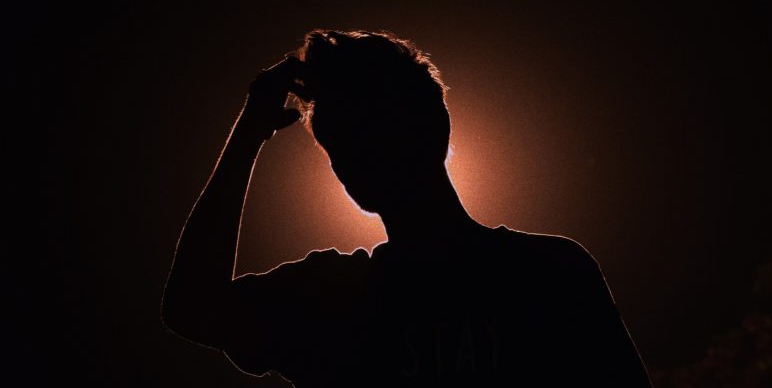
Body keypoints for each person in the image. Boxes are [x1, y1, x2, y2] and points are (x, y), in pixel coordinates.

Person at [161, 30, 652, 387]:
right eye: (339, 145)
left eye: (370, 132)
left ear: (432, 129)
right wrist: (248, 133)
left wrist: (250, 133)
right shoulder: (329, 296)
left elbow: (192, 308)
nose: (352, 161)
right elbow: (190, 309)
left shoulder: (549, 276)